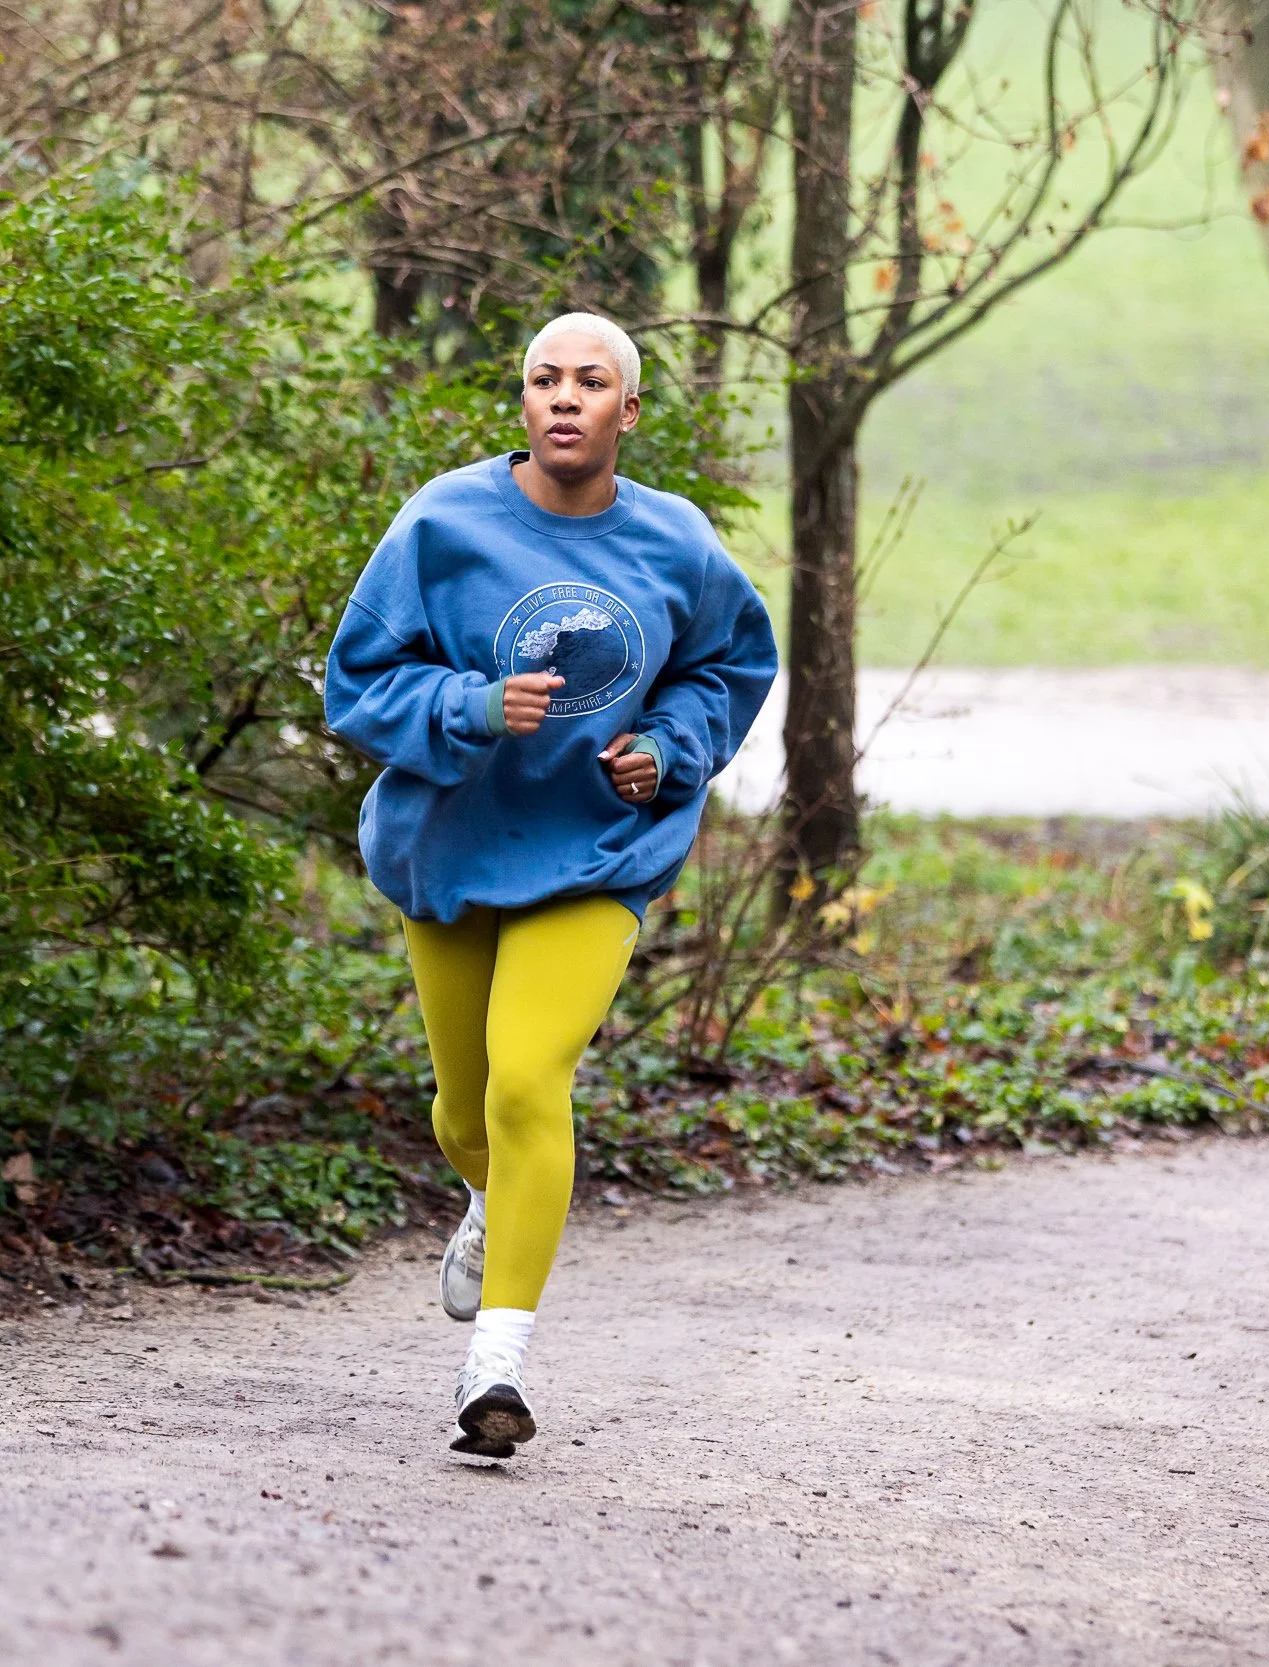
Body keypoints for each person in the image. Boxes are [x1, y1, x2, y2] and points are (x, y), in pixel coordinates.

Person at [323, 313, 777, 1458]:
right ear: (520, 403)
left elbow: (728, 664)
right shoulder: (442, 522)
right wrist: (467, 705)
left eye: (591, 382)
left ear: (628, 411)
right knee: (464, 1111)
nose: (564, 398)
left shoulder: (676, 542)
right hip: (456, 844)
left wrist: (668, 746)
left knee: (530, 1081)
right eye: (543, 379)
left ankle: (496, 1364)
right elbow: (355, 684)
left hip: (593, 852)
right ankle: (489, 1199)